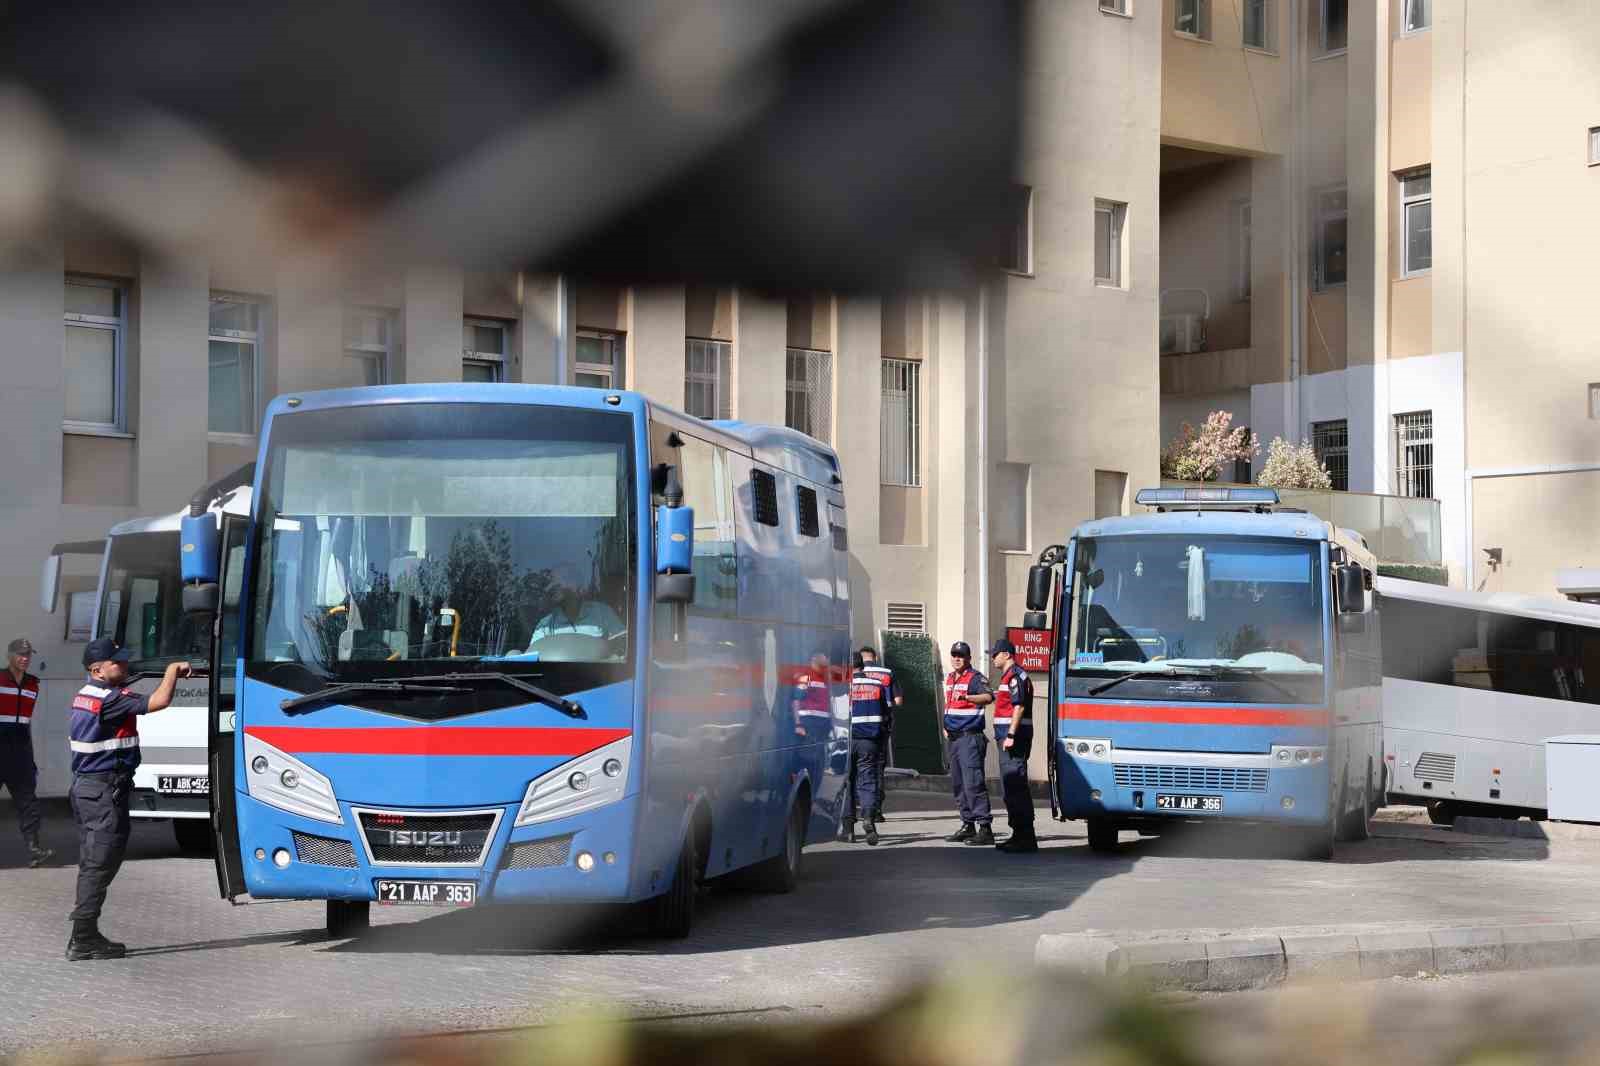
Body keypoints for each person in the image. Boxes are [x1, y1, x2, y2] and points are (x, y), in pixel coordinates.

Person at [67, 638, 191, 961]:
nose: (123, 666)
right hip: (103, 791)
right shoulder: (110, 699)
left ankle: (84, 933)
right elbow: (159, 701)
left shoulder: (87, 695)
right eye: (116, 663)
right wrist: (172, 671)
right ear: (97, 669)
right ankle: (82, 937)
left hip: (91, 789)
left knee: (97, 860)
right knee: (98, 863)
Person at [1, 638, 51, 867]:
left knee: (28, 803)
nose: (25, 658)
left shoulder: (33, 684)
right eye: (21, 654)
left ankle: (34, 848)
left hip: (20, 752)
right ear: (9, 656)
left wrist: (29, 755)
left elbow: (26, 722)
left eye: (28, 655)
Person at [987, 638, 1037, 853]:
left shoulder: (1015, 676)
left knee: (1015, 787)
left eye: (995, 654)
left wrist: (1010, 734)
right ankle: (1019, 835)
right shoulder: (1008, 677)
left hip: (1013, 741)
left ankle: (1025, 837)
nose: (992, 658)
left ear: (1007, 654)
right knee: (1011, 788)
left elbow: (1018, 708)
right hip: (1009, 739)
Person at [942, 641, 994, 846]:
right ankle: (968, 824)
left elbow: (989, 697)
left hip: (969, 737)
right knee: (959, 784)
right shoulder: (950, 678)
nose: (956, 658)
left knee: (973, 783)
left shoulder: (975, 677)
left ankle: (985, 827)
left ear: (968, 658)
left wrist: (969, 697)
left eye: (961, 655)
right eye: (954, 654)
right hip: (954, 738)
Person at [841, 652, 895, 846]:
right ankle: (868, 819)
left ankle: (848, 829)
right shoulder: (877, 685)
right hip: (870, 742)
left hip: (846, 742)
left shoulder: (843, 686)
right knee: (868, 781)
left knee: (847, 781)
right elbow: (886, 713)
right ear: (862, 666)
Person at [858, 646, 901, 823]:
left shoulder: (853, 675)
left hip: (856, 729)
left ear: (860, 659)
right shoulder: (887, 673)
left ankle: (858, 810)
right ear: (875, 657)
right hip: (881, 727)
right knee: (877, 767)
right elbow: (898, 701)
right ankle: (876, 810)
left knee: (859, 769)